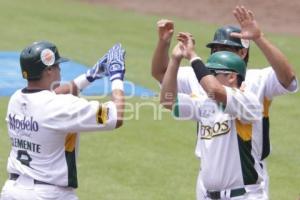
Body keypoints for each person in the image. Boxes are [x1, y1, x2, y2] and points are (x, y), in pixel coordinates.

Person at [151, 5, 298, 199]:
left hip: (244, 191)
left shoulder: (250, 97)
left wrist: (258, 37)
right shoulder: (204, 100)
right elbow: (167, 98)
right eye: (215, 49)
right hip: (206, 190)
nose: (217, 54)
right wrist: (174, 56)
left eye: (225, 49)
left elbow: (287, 78)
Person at [0, 41, 126, 200]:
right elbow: (116, 115)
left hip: (12, 191)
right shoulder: (60, 107)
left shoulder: (16, 99)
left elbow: (55, 95)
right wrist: (117, 76)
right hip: (48, 195)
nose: (60, 69)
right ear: (49, 70)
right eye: (57, 65)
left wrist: (92, 75)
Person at [161, 32, 264, 199]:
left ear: (231, 76)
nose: (205, 78)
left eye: (212, 73)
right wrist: (175, 60)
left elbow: (214, 90)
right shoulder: (205, 104)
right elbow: (167, 101)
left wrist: (193, 56)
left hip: (243, 195)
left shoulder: (247, 102)